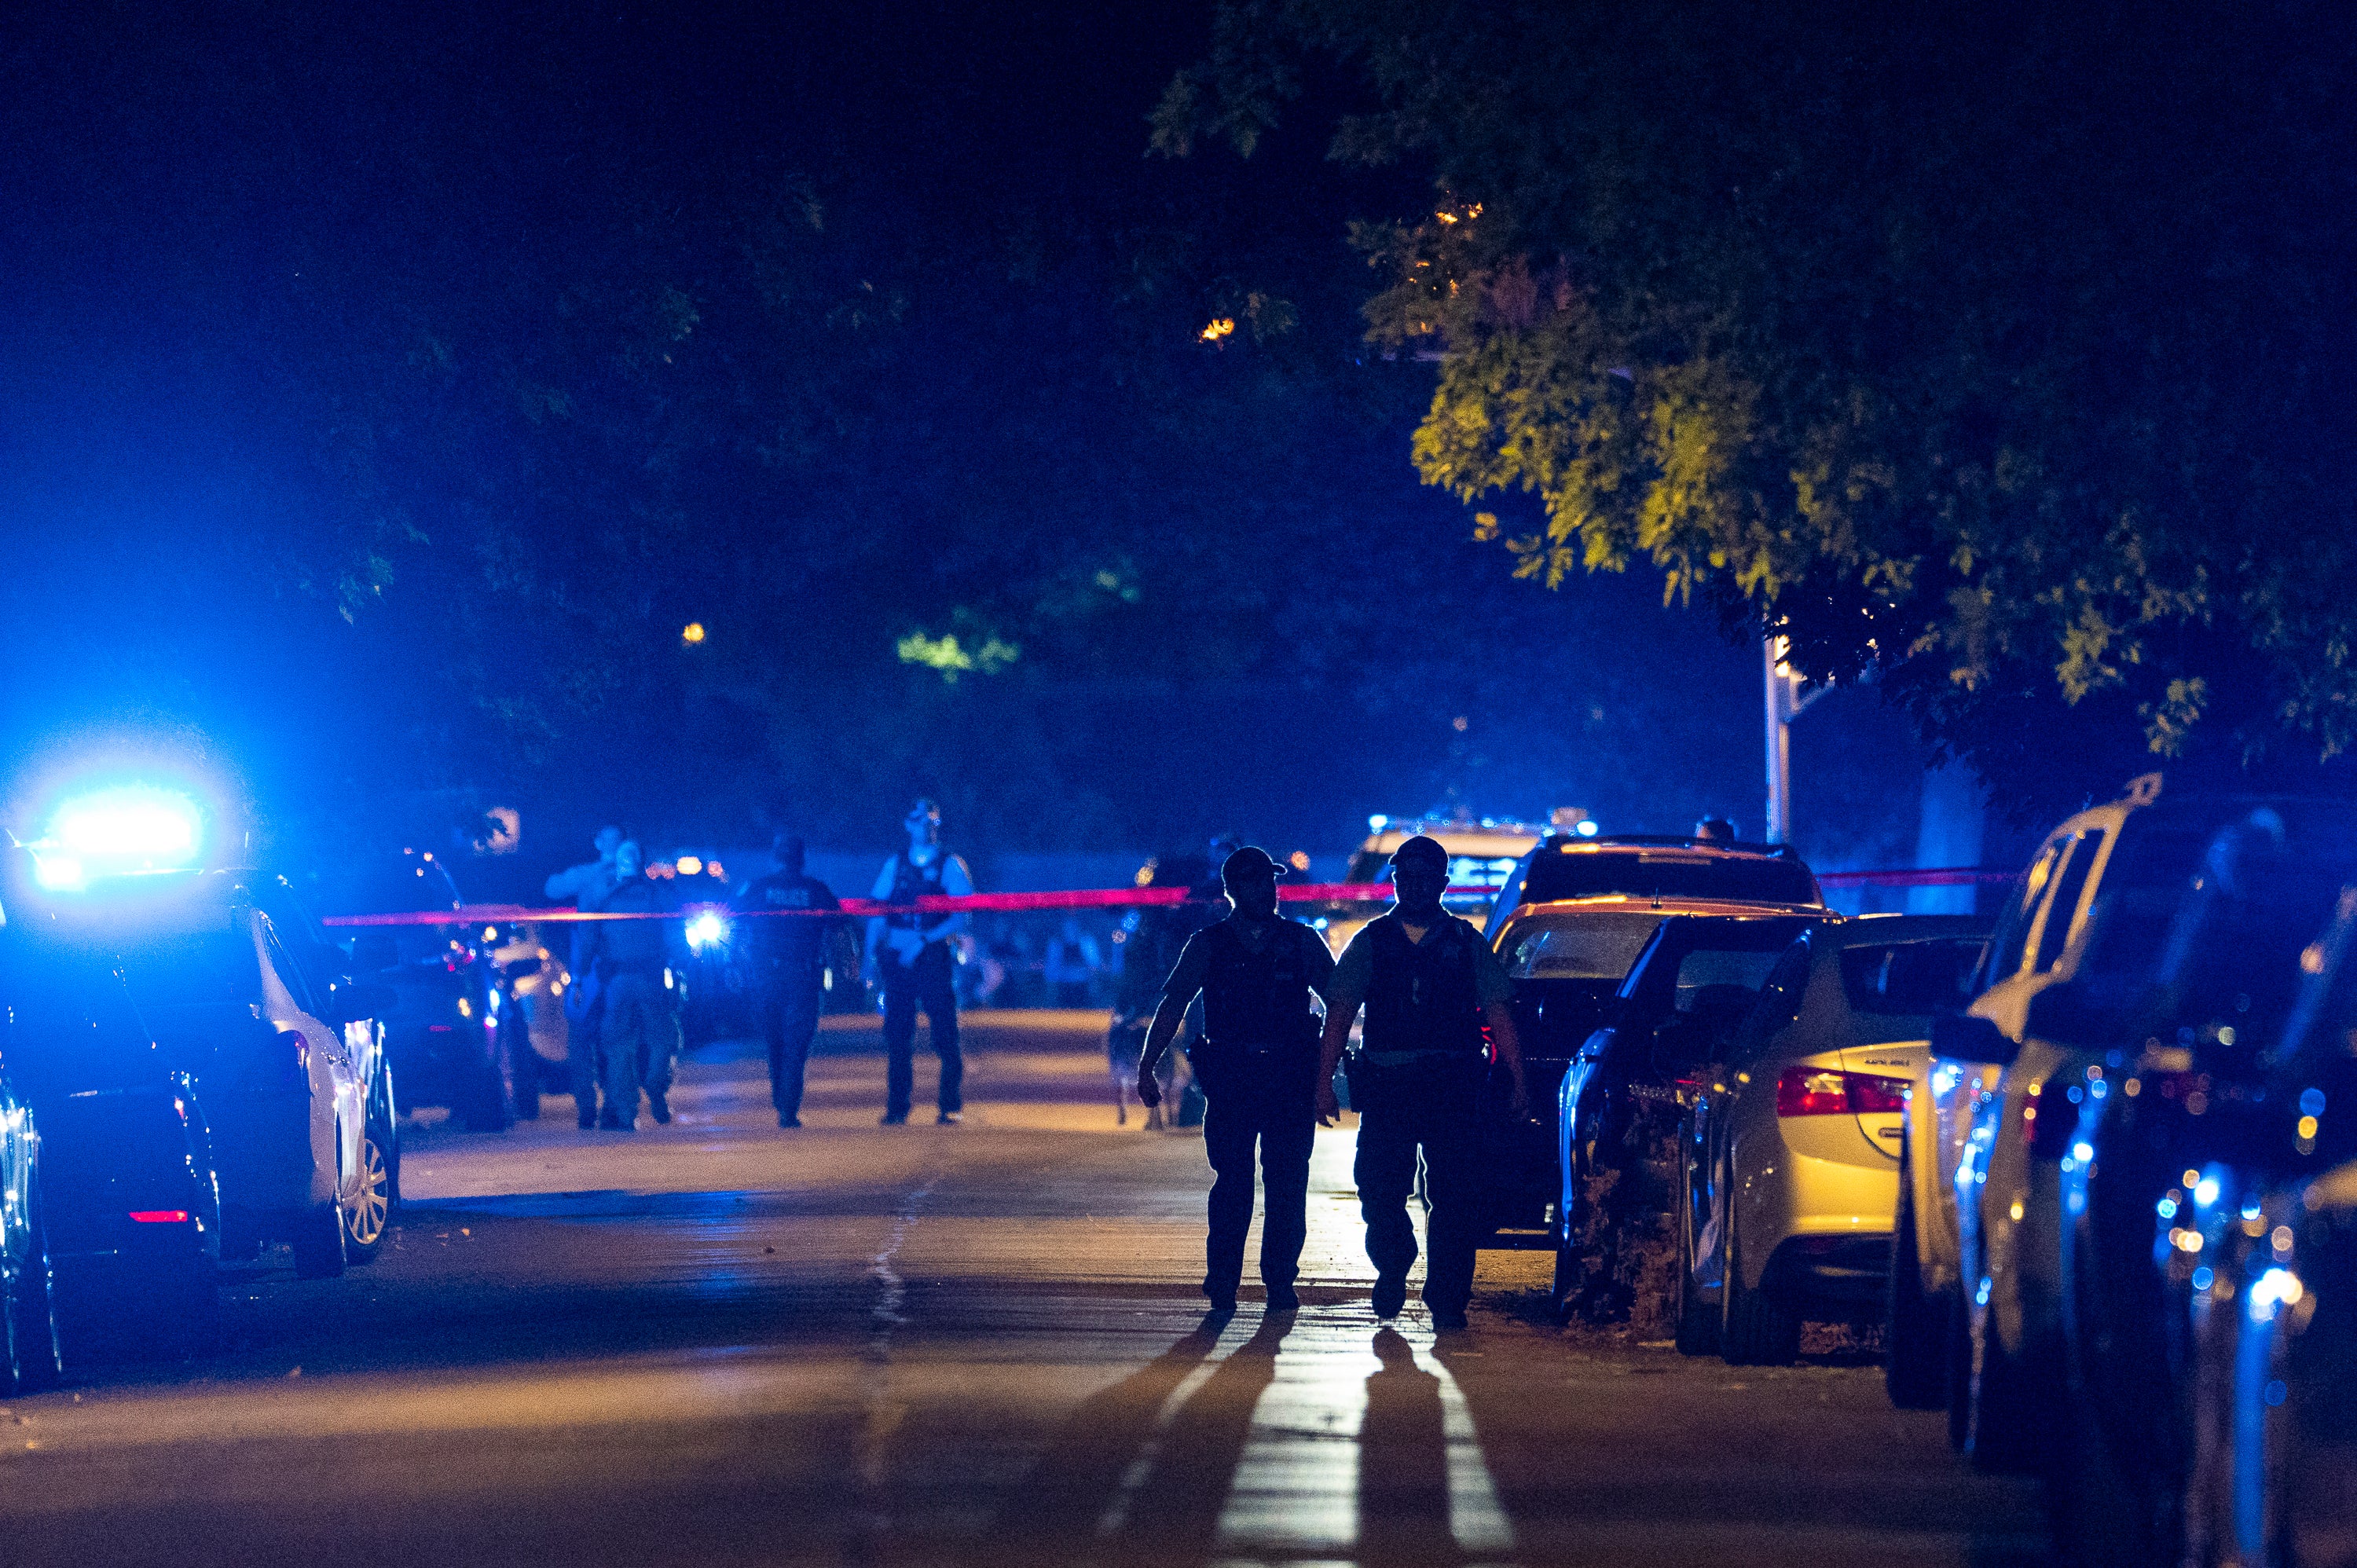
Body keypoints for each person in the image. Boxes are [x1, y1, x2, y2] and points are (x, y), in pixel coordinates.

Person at [1314, 834, 1527, 1331]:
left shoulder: (1464, 942)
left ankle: (1449, 1298)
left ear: (1442, 884)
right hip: (1389, 1085)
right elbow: (1339, 1012)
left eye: (1424, 878)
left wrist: (1518, 1079)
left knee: (1455, 1194)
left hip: (1451, 1083)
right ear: (1394, 882)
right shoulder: (1371, 941)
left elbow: (1499, 1013)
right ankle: (1394, 1265)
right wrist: (1321, 1081)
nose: (1412, 887)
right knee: (1379, 1189)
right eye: (1404, 877)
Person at [1137, 846, 1336, 1314]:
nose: (1267, 890)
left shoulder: (1302, 941)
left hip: (1289, 1079)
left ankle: (1280, 1281)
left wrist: (1326, 1069)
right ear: (1234, 890)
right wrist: (1148, 1066)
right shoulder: (1208, 944)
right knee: (1233, 1185)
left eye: (1270, 881)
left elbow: (1340, 1002)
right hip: (1232, 1082)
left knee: (1287, 1184)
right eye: (1255, 882)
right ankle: (1224, 1280)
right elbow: (1173, 1006)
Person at [864, 799, 974, 1126]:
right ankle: (898, 1107)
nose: (927, 826)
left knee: (945, 1031)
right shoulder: (895, 865)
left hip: (933, 956)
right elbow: (876, 913)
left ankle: (950, 1104)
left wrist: (925, 939)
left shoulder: (950, 864)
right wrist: (869, 959)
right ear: (908, 825)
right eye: (920, 821)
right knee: (898, 1034)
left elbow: (963, 915)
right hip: (898, 959)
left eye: (932, 822)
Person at [733, 833, 842, 1128]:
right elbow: (838, 927)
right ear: (801, 859)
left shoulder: (758, 888)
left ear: (774, 857)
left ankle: (783, 1101)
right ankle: (787, 1107)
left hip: (766, 976)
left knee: (775, 1042)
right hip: (803, 976)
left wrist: (738, 966)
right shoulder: (816, 890)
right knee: (796, 1044)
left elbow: (734, 921)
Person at [587, 840, 680, 1130]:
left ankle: (627, 1112)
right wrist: (679, 965)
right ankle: (655, 1085)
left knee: (617, 1048)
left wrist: (579, 976)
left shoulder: (603, 896)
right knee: (663, 1038)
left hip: (616, 981)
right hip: (651, 978)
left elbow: (589, 938)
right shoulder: (658, 894)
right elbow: (675, 932)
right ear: (642, 862)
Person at [546, 826, 625, 1128]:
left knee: (582, 1039)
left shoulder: (587, 876)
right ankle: (613, 1107)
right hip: (619, 971)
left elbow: (551, 888)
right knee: (617, 1043)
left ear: (598, 843)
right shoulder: (633, 878)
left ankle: (588, 1107)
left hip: (589, 971)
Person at [1043, 915, 1104, 1008]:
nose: (1070, 929)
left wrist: (1094, 986)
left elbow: (1095, 965)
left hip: (1084, 986)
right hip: (1063, 987)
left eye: (1073, 926)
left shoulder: (1087, 942)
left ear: (1078, 927)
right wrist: (1051, 991)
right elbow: (1051, 968)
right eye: (1067, 926)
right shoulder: (1056, 944)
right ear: (1062, 927)